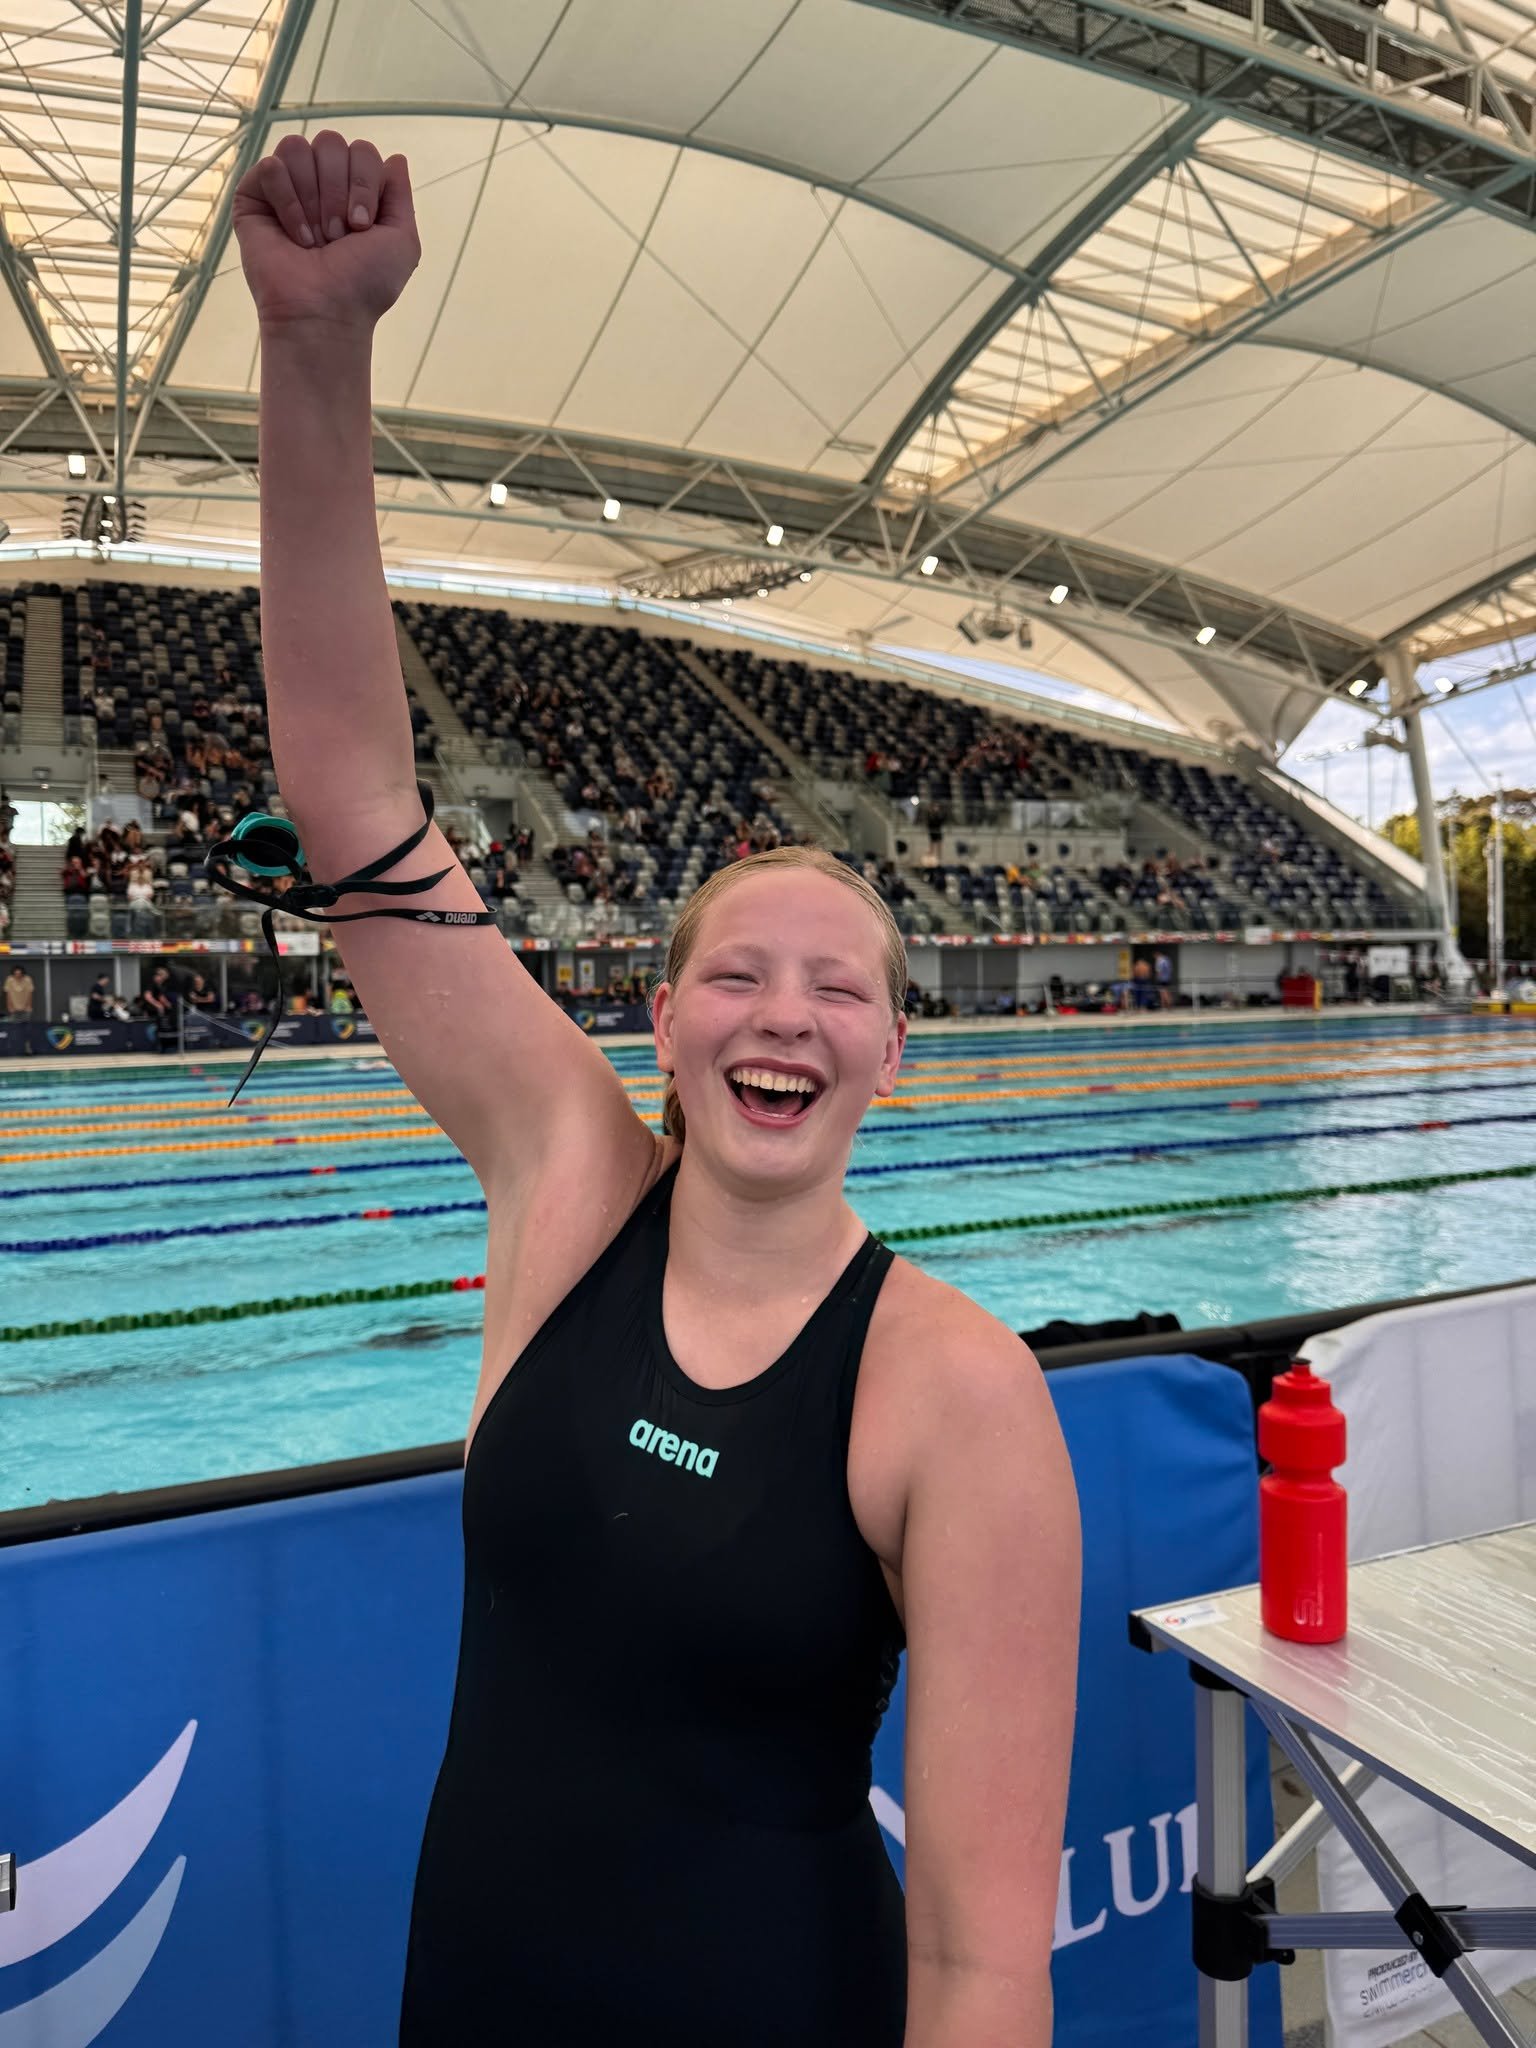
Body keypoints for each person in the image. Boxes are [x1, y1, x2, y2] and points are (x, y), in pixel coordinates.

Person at [233, 129, 1080, 2048]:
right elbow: (358, 802)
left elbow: (978, 1951)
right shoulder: (564, 1192)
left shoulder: (956, 1389)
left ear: (889, 1049)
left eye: (839, 988)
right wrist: (317, 351)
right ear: (661, 1021)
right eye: (741, 975)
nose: (788, 1016)